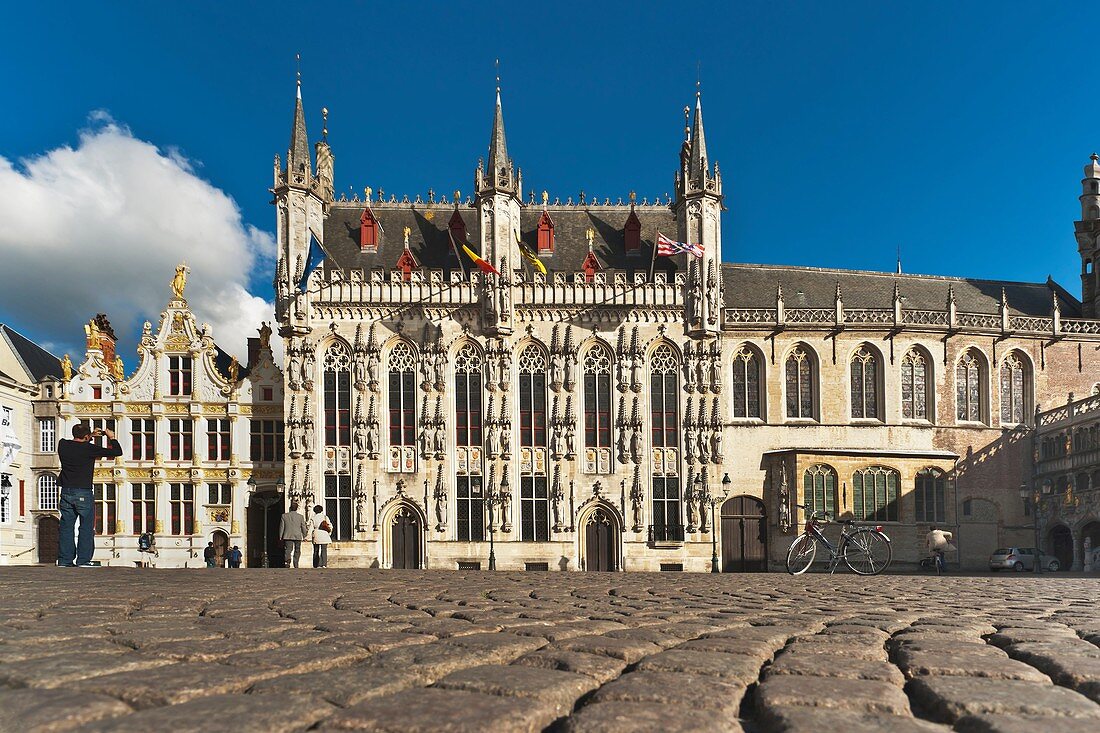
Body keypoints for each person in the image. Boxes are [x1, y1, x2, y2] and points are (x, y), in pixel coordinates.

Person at [57, 424, 123, 567]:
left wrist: (90, 435)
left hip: (66, 491)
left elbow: (75, 443)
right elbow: (117, 452)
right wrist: (111, 437)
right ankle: (83, 560)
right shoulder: (89, 449)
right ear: (86, 437)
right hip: (83, 492)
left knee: (66, 527)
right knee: (86, 527)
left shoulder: (62, 445)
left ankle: (65, 560)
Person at [279, 501, 308, 568]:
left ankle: (287, 562)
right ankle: (296, 563)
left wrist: (280, 536)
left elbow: (282, 527)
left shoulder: (284, 516)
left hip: (287, 535)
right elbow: (303, 527)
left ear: (290, 508)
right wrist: (305, 535)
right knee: (297, 550)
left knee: (288, 550)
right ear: (297, 508)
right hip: (297, 535)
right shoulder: (300, 517)